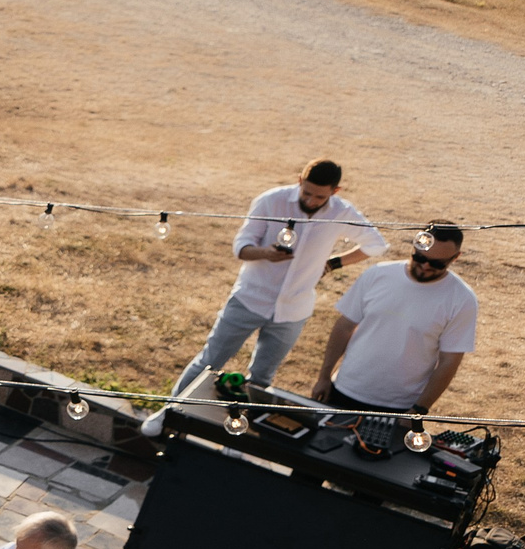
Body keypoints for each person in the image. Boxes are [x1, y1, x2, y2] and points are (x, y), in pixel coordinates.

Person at [138, 161, 385, 436]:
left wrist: (333, 264)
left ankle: (240, 434)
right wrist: (266, 253)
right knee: (210, 362)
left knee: (262, 378)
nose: (311, 200)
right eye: (307, 192)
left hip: (293, 310)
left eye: (320, 196)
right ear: (299, 180)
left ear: (335, 190)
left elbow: (376, 245)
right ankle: (170, 412)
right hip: (249, 299)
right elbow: (241, 247)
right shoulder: (271, 201)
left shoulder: (342, 212)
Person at [313, 224, 477, 414]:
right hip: (343, 389)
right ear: (413, 247)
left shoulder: (462, 299)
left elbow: (450, 360)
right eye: (419, 257)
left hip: (400, 406)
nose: (425, 266)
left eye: (437, 263)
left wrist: (420, 408)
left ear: (455, 258)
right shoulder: (377, 274)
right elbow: (344, 326)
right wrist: (324, 377)